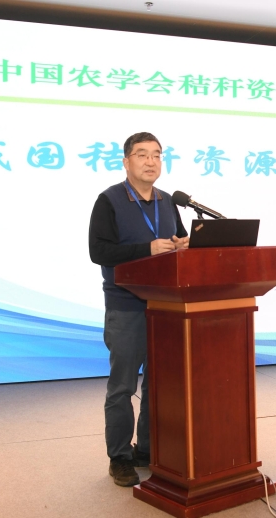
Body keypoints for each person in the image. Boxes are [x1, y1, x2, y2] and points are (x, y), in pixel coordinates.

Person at [88, 132, 189, 486]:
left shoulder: (168, 201)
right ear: (126, 161)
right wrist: (147, 248)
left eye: (157, 155)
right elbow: (99, 252)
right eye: (142, 154)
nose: (151, 161)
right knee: (123, 386)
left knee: (158, 385)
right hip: (126, 307)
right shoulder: (110, 200)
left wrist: (183, 245)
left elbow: (176, 241)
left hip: (165, 307)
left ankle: (146, 449)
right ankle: (119, 456)